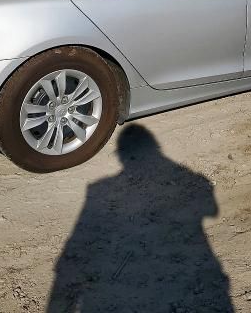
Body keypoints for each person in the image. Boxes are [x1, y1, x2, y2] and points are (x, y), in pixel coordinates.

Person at [46, 125, 233, 312]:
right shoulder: (191, 179)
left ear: (120, 155)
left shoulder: (99, 189)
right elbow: (212, 210)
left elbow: (72, 255)